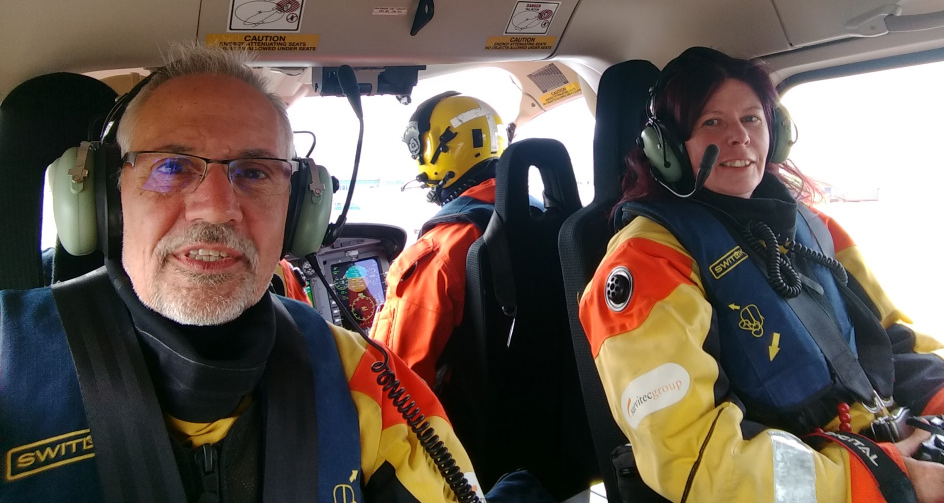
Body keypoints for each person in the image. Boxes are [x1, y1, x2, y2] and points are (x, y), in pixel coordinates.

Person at [0, 43, 541, 502]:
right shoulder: (10, 360)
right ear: (103, 200)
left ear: (300, 214)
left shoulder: (367, 381)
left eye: (254, 171)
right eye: (171, 165)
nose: (216, 207)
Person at [579, 46, 944, 503]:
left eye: (752, 119)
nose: (739, 137)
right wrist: (886, 485)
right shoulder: (645, 263)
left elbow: (892, 339)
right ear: (667, 151)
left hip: (888, 450)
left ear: (775, 131)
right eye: (711, 122)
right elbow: (695, 457)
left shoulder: (815, 227)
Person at [371, 92, 506, 388]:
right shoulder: (541, 215)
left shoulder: (440, 251)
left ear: (436, 148)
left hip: (459, 429)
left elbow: (396, 378)